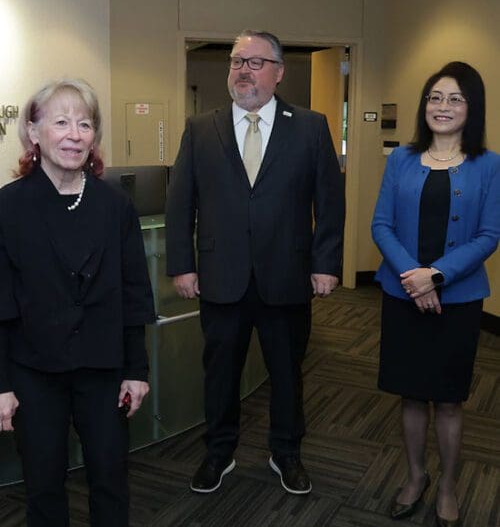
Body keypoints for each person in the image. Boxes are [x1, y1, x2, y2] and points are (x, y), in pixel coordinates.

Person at [166, 30, 344, 495]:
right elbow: (180, 202)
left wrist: (326, 263)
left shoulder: (310, 126)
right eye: (236, 61)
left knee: (287, 375)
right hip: (220, 280)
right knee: (220, 375)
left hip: (286, 278)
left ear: (279, 72)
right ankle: (218, 453)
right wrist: (182, 265)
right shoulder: (200, 128)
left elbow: (329, 202)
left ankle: (286, 453)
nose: (243, 70)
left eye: (255, 62)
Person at [0, 78, 156, 527]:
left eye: (85, 124)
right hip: (34, 371)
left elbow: (133, 291)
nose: (74, 134)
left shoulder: (115, 205)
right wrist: (2, 384)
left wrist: (136, 369)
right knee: (43, 485)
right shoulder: (8, 207)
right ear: (33, 132)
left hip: (103, 369)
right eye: (61, 122)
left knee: (110, 479)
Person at [372, 62, 500, 527]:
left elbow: (489, 235)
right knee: (410, 396)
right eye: (434, 98)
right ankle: (415, 476)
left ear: (473, 108)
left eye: (454, 99)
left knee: (448, 400)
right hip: (402, 295)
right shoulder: (401, 160)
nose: (441, 107)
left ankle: (447, 485)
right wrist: (413, 276)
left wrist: (437, 276)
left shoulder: (490, 165)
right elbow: (380, 225)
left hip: (458, 301)